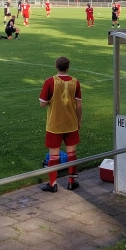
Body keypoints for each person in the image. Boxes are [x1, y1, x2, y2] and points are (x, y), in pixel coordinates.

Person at [39, 56, 82, 192]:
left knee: (53, 155)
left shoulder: (49, 81)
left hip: (54, 124)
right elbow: (79, 105)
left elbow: (42, 104)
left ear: (56, 66)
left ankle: (53, 184)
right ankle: (71, 182)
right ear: (68, 67)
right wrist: (79, 120)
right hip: (71, 123)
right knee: (71, 153)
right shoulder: (75, 82)